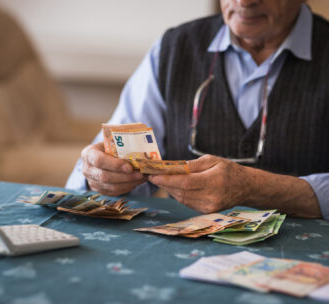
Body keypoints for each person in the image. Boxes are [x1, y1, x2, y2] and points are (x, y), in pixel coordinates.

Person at [67, 0, 329, 220]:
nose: (245, 1)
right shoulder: (174, 48)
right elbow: (110, 162)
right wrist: (101, 178)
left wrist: (255, 188)